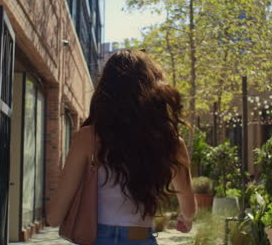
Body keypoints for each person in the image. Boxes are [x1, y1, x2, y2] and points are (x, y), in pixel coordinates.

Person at [48, 50, 196, 244]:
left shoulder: (87, 138)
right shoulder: (171, 142)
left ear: (105, 90)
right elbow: (189, 209)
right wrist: (185, 219)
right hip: (140, 238)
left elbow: (54, 217)